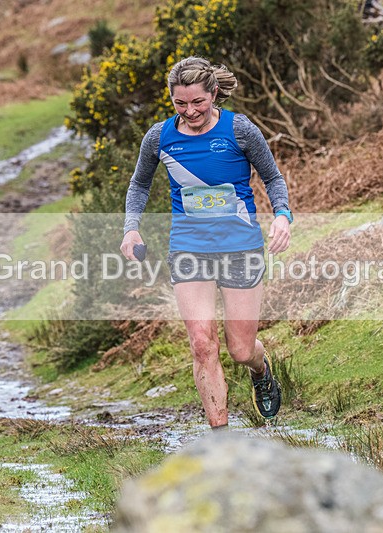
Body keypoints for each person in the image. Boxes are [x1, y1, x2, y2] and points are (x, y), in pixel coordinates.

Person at [120, 56, 293, 430]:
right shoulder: (160, 137)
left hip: (240, 247)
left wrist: (282, 214)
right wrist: (130, 228)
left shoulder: (240, 130)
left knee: (241, 349)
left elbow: (273, 178)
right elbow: (139, 184)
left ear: (214, 93)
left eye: (198, 102)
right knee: (202, 344)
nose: (191, 110)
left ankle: (261, 371)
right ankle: (221, 437)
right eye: (181, 103)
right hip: (188, 248)